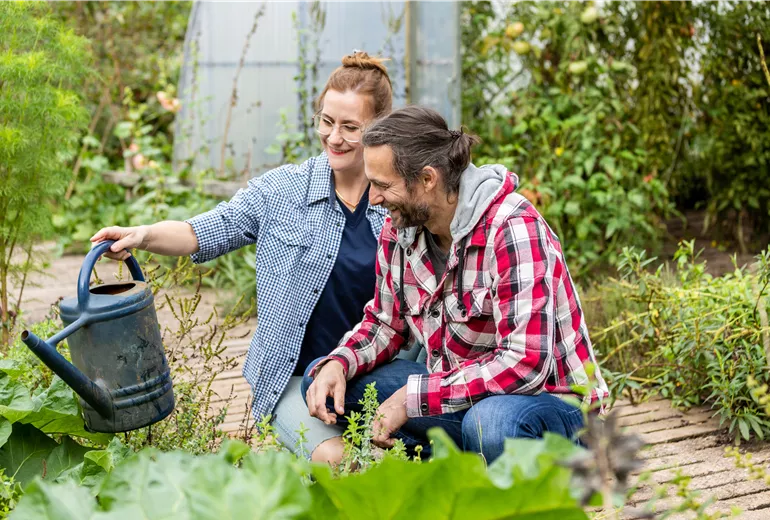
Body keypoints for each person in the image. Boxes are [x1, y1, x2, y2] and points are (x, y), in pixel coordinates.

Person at [90, 51, 393, 459]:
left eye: (350, 127)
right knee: (340, 461)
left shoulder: (397, 203)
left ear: (379, 129)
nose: (333, 137)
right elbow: (203, 231)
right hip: (293, 377)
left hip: (374, 373)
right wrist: (142, 234)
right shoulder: (283, 191)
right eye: (326, 121)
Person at [303, 105, 609, 465]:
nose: (373, 198)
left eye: (384, 185)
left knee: (491, 425)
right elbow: (385, 324)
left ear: (428, 178)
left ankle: (486, 462)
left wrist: (410, 398)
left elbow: (524, 364)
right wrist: (341, 362)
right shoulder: (400, 230)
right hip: (459, 395)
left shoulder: (512, 228)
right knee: (324, 381)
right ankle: (469, 461)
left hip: (550, 406)